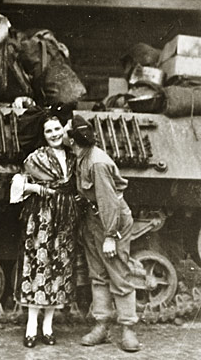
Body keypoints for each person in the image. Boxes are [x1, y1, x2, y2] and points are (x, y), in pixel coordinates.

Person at [65, 115, 141, 353]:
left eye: (66, 130)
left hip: (111, 220)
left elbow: (110, 202)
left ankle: (128, 328)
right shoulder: (82, 156)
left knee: (118, 272)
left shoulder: (97, 162)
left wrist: (111, 235)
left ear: (72, 139)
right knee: (97, 274)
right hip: (94, 219)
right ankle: (102, 326)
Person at [10, 107, 78, 348]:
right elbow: (18, 183)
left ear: (64, 129)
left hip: (65, 219)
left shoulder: (72, 157)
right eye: (48, 130)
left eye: (57, 128)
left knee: (58, 269)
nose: (54, 134)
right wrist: (39, 189)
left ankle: (48, 327)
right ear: (44, 134)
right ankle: (31, 327)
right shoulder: (36, 157)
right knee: (38, 267)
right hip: (41, 218)